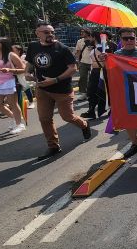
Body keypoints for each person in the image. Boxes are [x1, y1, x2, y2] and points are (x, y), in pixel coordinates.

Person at [25, 22, 92, 160]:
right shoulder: (33, 46)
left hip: (62, 90)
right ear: (37, 33)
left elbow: (73, 68)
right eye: (45, 32)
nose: (50, 34)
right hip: (42, 89)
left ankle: (84, 125)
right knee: (44, 119)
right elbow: (30, 63)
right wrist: (27, 72)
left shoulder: (62, 48)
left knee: (67, 117)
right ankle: (53, 146)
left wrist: (55, 80)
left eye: (51, 32)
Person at [97, 28, 137, 159]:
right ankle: (135, 144)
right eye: (125, 38)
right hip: (124, 92)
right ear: (121, 40)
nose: (129, 40)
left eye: (132, 38)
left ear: (135, 39)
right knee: (128, 120)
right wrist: (105, 61)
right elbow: (111, 72)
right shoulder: (116, 55)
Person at [0, 36, 27, 135]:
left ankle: (19, 124)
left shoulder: (11, 55)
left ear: (3, 43)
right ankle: (14, 117)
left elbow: (24, 69)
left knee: (13, 103)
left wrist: (10, 70)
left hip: (10, 81)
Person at [11, 45, 36, 109]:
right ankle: (19, 105)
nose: (11, 51)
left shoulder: (23, 57)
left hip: (23, 75)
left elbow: (26, 67)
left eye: (13, 50)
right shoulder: (11, 57)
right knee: (18, 91)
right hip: (15, 76)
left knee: (26, 88)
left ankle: (31, 102)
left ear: (19, 51)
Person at [74, 28, 93, 101]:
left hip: (93, 62)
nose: (81, 33)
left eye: (83, 32)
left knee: (92, 79)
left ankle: (92, 93)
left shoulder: (93, 39)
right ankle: (83, 94)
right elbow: (78, 52)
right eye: (81, 32)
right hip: (83, 62)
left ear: (87, 32)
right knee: (83, 78)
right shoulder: (79, 41)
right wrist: (77, 61)